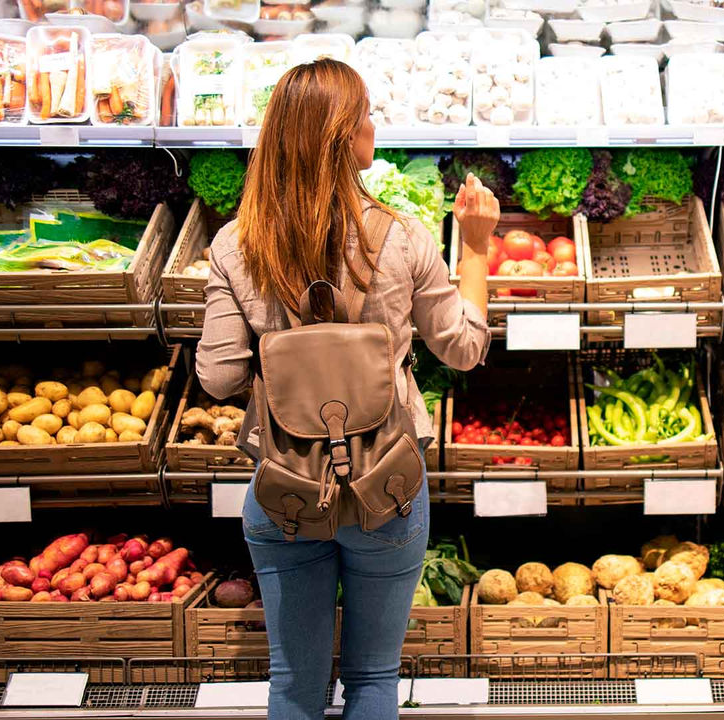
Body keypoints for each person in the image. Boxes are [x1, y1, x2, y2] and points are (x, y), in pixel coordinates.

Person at [195, 59, 498, 720]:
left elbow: (216, 375)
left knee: (293, 685)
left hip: (284, 489)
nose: (373, 124)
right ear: (342, 138)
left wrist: (286, 371)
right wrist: (476, 247)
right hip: (386, 487)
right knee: (371, 679)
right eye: (363, 113)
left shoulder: (235, 245)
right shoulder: (402, 238)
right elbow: (463, 348)